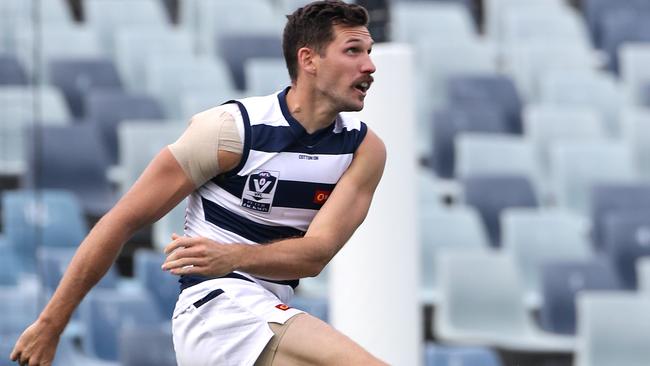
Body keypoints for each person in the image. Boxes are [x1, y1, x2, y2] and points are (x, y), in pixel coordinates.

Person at [10, 1, 387, 365]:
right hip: (216, 308)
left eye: (369, 51)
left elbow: (315, 254)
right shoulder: (231, 130)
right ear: (308, 60)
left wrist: (231, 256)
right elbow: (120, 221)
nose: (369, 66)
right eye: (353, 51)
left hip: (270, 309)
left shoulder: (363, 150)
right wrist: (50, 324)